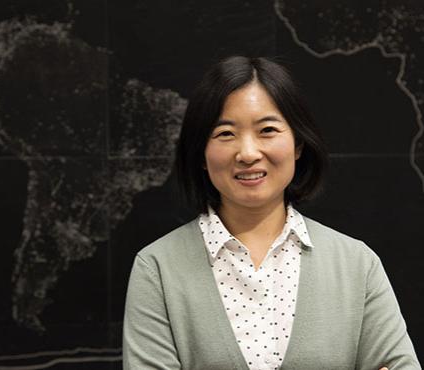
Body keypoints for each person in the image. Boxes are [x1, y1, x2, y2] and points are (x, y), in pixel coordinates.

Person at [122, 56, 421, 369]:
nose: (248, 153)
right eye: (225, 133)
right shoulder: (157, 269)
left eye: (267, 130)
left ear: (298, 144)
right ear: (200, 152)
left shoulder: (357, 264)